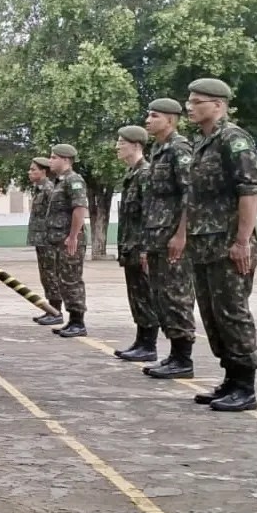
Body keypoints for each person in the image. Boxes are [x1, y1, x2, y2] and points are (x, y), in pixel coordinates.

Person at [180, 78, 257, 411]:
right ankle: (230, 378)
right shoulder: (202, 143)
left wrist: (242, 241)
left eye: (196, 102)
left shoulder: (234, 139)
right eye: (189, 101)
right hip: (203, 244)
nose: (189, 107)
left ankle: (245, 385)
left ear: (218, 104)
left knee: (233, 313)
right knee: (213, 315)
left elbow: (249, 191)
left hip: (228, 244)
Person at [136, 99, 198, 378]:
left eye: (154, 116)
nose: (148, 120)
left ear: (171, 120)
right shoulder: (159, 150)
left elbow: (189, 195)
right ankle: (174, 354)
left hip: (173, 238)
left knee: (177, 296)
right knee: (161, 297)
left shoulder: (179, 149)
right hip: (157, 237)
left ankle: (184, 359)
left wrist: (181, 234)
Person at [112, 126, 159, 360]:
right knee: (136, 296)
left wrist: (146, 248)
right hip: (130, 247)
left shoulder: (145, 173)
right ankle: (141, 341)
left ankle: (149, 345)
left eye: (122, 143)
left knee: (145, 295)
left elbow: (151, 213)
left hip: (140, 247)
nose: (117, 147)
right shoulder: (132, 175)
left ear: (136, 145)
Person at [46, 143, 89, 337]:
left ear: (65, 159)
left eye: (54, 157)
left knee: (71, 280)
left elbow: (79, 209)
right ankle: (72, 320)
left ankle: (78, 322)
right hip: (59, 240)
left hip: (70, 240)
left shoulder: (73, 180)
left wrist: (73, 236)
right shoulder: (60, 181)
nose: (50, 161)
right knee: (63, 280)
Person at [26, 156, 63, 326]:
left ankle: (56, 312)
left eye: (33, 169)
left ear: (43, 172)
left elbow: (56, 214)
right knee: (46, 276)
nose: (30, 172)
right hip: (41, 240)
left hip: (49, 241)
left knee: (51, 275)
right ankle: (51, 310)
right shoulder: (39, 189)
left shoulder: (49, 189)